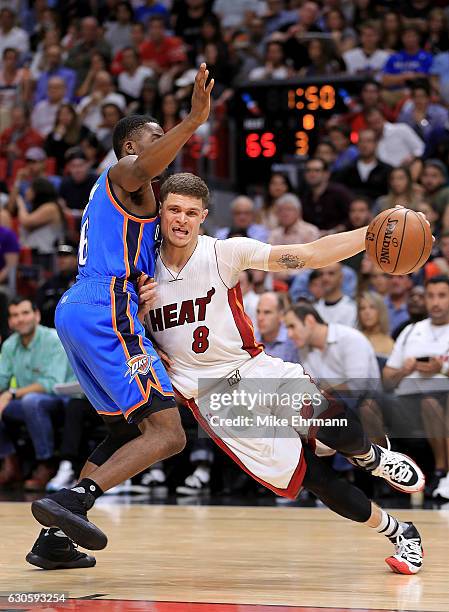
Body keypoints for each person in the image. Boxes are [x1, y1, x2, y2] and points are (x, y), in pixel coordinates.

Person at [141, 174, 424, 574]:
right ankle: (400, 531)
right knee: (314, 478)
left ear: (204, 216)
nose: (181, 220)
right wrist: (145, 336)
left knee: (326, 417)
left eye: (191, 212)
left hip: (252, 368)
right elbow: (121, 329)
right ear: (161, 212)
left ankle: (370, 456)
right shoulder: (139, 269)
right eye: (173, 210)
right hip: (212, 398)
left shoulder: (225, 253)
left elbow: (307, 254)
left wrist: (369, 233)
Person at [27, 64, 214, 570]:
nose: (164, 146)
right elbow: (148, 165)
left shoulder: (135, 205)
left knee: (128, 431)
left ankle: (53, 538)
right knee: (169, 434)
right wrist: (193, 119)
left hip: (84, 309)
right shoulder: (122, 175)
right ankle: (76, 500)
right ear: (132, 148)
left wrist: (142, 284)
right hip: (104, 308)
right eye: (155, 139)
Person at [383, 276, 449, 499]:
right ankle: (380, 475)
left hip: (443, 397)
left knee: (432, 403)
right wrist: (405, 370)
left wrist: (441, 369)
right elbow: (387, 379)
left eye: (442, 296)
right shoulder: (411, 330)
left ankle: (441, 471)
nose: (435, 302)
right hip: (407, 403)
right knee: (369, 404)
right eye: (431, 296)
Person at [0, 298, 73, 491]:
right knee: (25, 402)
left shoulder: (53, 339)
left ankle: (46, 463)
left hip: (62, 401)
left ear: (37, 315)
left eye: (25, 313)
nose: (20, 319)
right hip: (25, 403)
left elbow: (51, 383)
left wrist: (12, 394)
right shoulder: (9, 345)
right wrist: (8, 394)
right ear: (9, 321)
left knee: (32, 401)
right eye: (15, 315)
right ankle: (10, 460)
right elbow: (2, 380)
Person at [333, 129, 392, 201]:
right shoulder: (346, 171)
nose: (364, 145)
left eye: (369, 141)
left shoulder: (387, 170)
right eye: (361, 141)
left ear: (376, 144)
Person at [301, 157, 353, 233]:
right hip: (313, 239)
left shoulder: (340, 192)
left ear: (327, 174)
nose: (312, 174)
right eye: (308, 170)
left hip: (339, 238)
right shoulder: (304, 195)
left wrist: (333, 231)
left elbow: (353, 217)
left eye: (317, 170)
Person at [256, 292, 299, 362]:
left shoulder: (293, 340)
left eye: (267, 312)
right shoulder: (250, 342)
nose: (260, 318)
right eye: (258, 312)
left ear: (281, 316)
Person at [315, 262, 358, 327]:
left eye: (331, 273)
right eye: (321, 274)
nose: (325, 278)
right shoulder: (314, 309)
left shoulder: (353, 309)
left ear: (341, 278)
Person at [357, 291, 394, 359]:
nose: (367, 312)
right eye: (362, 308)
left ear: (381, 311)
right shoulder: (354, 339)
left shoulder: (389, 343)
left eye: (372, 307)